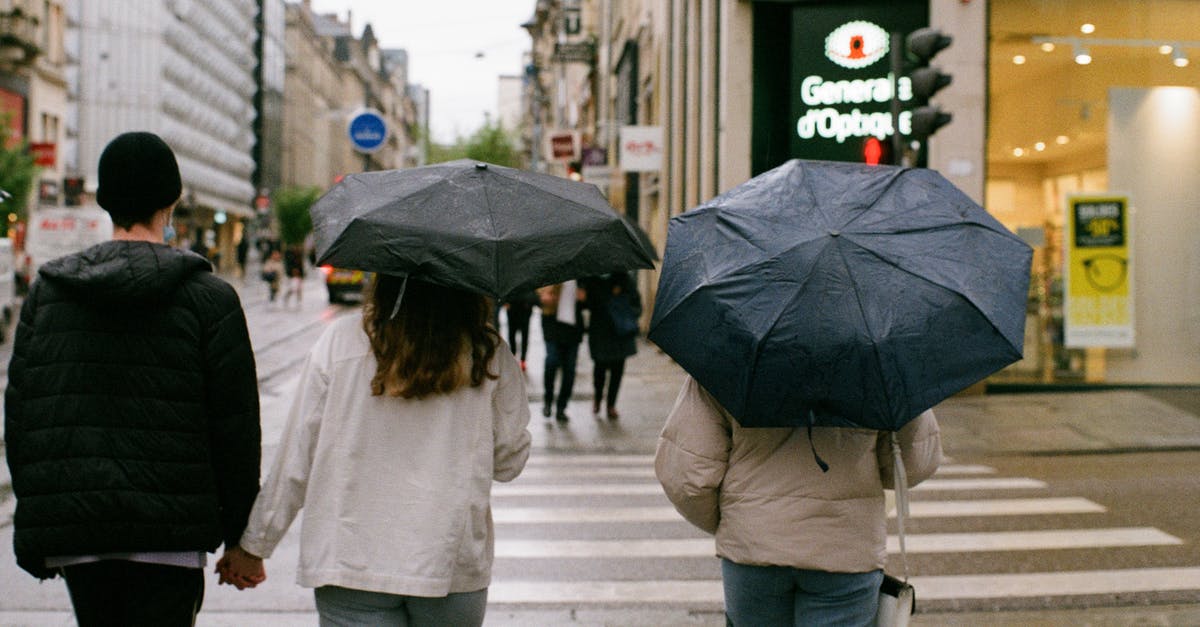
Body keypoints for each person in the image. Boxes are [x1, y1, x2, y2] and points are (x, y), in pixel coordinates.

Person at [4, 131, 262, 625]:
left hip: (82, 537)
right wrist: (241, 539)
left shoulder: (50, 294)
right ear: (172, 200)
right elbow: (235, 430)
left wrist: (37, 529)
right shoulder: (210, 299)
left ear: (106, 202)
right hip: (171, 540)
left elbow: (23, 418)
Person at [219, 274, 532, 626]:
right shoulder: (488, 351)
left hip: (351, 561)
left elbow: (297, 455)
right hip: (449, 564)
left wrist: (253, 546)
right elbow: (509, 462)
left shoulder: (341, 341)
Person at [655, 377, 942, 626]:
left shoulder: (724, 357)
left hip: (755, 546)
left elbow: (686, 477)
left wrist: (733, 522)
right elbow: (915, 461)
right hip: (845, 548)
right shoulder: (880, 364)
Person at [581, 272, 641, 420]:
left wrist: (620, 299)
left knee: (617, 370)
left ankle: (611, 405)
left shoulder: (625, 279)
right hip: (600, 331)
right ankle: (598, 397)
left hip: (619, 333)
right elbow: (587, 304)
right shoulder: (592, 278)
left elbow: (636, 304)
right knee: (599, 368)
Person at [537, 280, 585, 423]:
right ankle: (548, 401)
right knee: (551, 362)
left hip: (572, 332)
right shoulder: (553, 275)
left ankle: (561, 407)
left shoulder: (582, 279)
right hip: (553, 329)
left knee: (569, 371)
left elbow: (593, 302)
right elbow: (532, 296)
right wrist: (543, 299)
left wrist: (584, 298)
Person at [502, 288, 538, 371]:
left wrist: (530, 302)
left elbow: (533, 293)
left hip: (525, 309)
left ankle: (523, 359)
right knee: (512, 334)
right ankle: (513, 355)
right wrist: (505, 302)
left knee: (524, 335)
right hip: (512, 308)